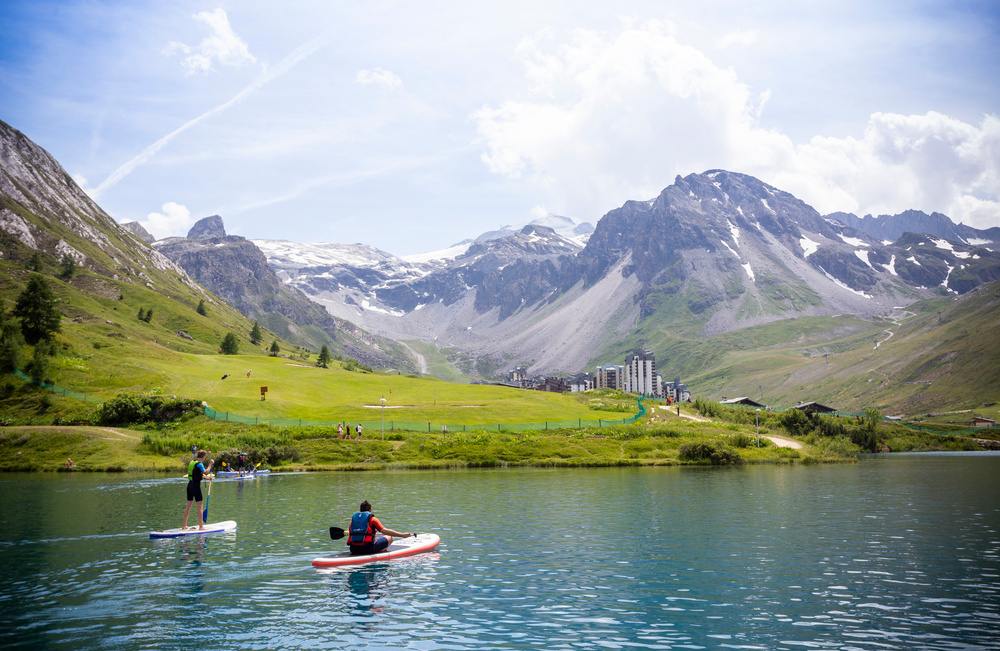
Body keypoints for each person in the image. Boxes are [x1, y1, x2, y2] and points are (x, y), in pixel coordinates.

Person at [347, 500, 414, 556]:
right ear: (370, 510)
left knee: (375, 538)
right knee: (389, 537)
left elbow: (351, 533)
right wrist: (402, 535)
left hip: (353, 549)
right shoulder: (373, 519)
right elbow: (385, 531)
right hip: (367, 549)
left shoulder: (353, 520)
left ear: (360, 510)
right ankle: (382, 550)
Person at [182, 450, 214, 530]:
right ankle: (201, 527)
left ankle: (184, 526)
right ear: (203, 457)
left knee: (188, 506)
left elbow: (197, 474)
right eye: (205, 457)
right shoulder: (199, 464)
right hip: (196, 487)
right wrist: (210, 465)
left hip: (189, 486)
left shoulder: (192, 462)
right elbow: (205, 472)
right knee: (199, 507)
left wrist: (207, 478)